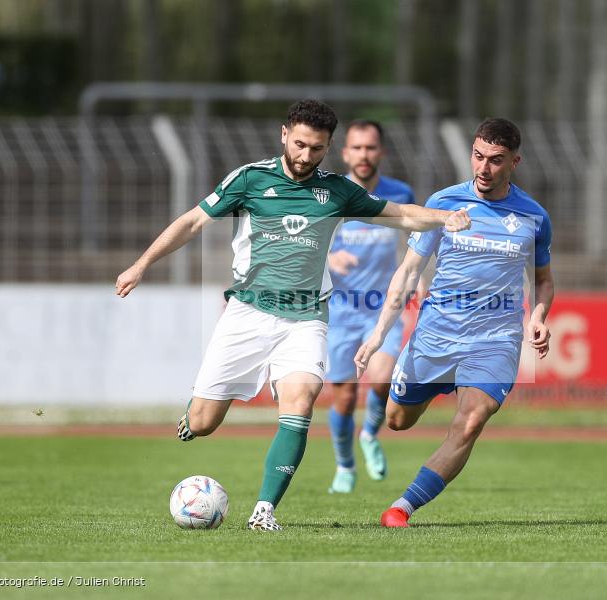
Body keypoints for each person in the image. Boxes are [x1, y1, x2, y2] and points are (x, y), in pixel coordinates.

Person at [115, 100, 470, 532]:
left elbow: (398, 214)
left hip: (306, 318)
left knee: (301, 401)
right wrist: (141, 265)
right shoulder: (249, 179)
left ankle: (264, 511)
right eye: (299, 144)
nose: (305, 155)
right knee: (204, 423)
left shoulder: (337, 191)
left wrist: (445, 218)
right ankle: (195, 411)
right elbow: (192, 222)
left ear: (329, 147)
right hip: (247, 314)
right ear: (284, 134)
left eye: (316, 148)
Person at [353, 117, 555, 528]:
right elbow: (409, 271)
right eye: (478, 156)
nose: (484, 168)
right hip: (436, 336)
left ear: (514, 162)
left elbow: (544, 280)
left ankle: (401, 508)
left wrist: (538, 316)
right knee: (397, 420)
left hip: (495, 340)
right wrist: (378, 336)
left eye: (495, 160)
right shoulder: (444, 203)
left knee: (471, 421)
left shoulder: (534, 216)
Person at [325, 120, 416, 494]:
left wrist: (420, 274)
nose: (364, 154)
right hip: (340, 311)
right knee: (345, 398)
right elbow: (305, 244)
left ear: (381, 152)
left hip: (382, 309)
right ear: (346, 153)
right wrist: (330, 258)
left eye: (371, 147)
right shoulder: (330, 195)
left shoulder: (399, 194)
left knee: (382, 378)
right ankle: (345, 467)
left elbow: (417, 242)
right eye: (357, 148)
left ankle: (369, 434)